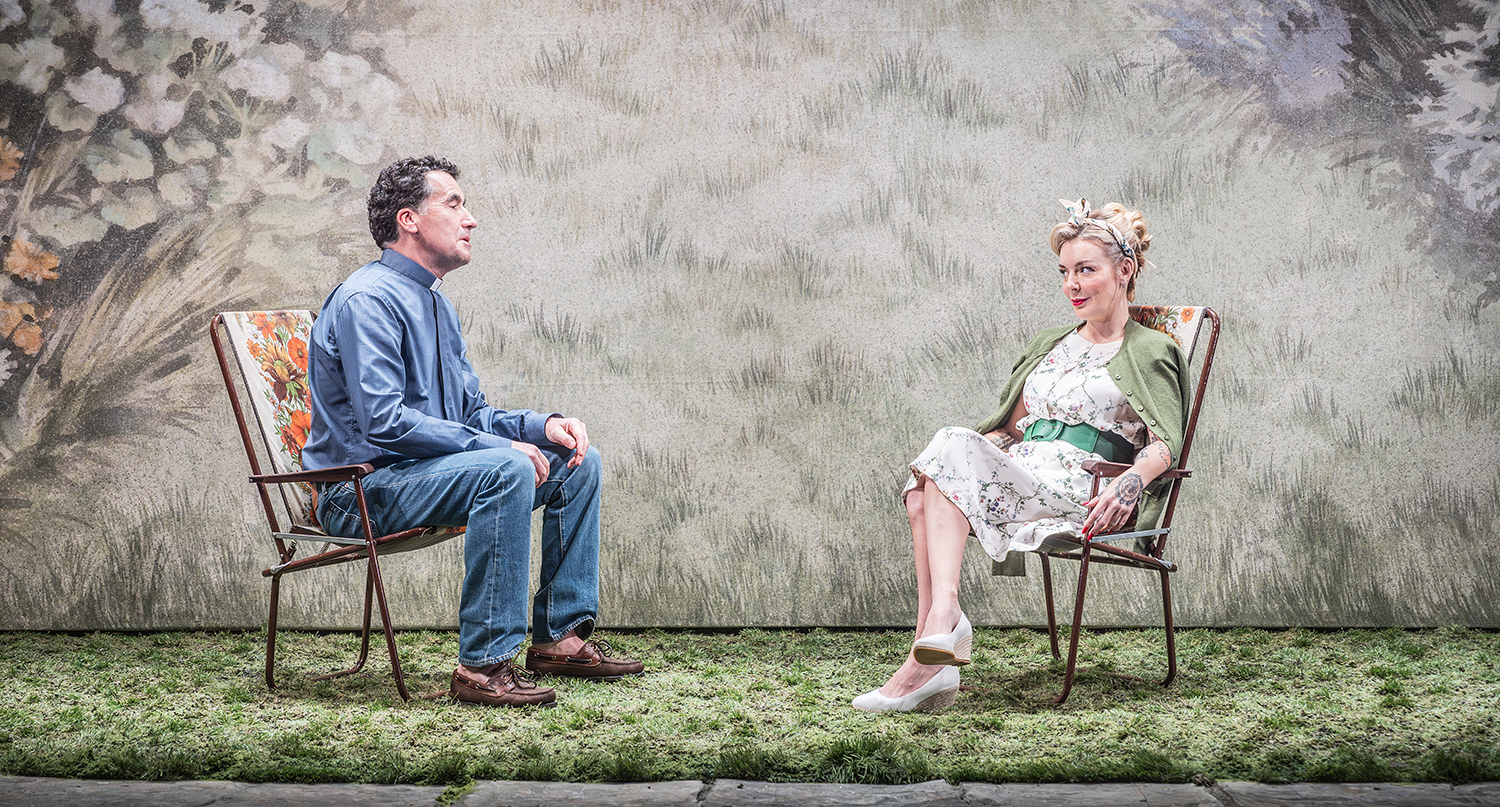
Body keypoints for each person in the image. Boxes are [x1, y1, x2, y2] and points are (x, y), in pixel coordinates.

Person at [302, 155, 642, 708]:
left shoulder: (435, 303)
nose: (471, 218)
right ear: (409, 219)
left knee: (579, 462)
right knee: (505, 467)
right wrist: (503, 448)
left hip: (421, 476)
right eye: (454, 203)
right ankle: (482, 666)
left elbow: (470, 414)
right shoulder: (369, 299)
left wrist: (543, 426)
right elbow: (384, 422)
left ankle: (559, 639)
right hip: (358, 491)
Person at [853, 199, 1189, 712]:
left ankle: (937, 636)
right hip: (1026, 471)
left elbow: (1165, 442)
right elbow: (1010, 428)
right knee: (925, 487)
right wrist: (970, 456)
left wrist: (1131, 483)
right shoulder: (1051, 342)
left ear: (1124, 270)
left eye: (1085, 270)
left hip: (1083, 488)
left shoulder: (1150, 349)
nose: (1071, 285)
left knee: (946, 450)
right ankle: (935, 643)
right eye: (1064, 272)